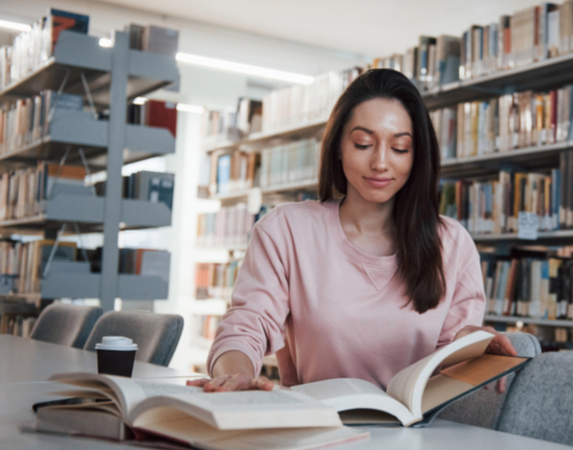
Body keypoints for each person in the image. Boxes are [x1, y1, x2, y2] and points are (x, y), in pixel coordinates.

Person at [189, 69, 517, 394]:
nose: (380, 163)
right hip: (317, 430)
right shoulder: (286, 229)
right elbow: (246, 326)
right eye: (363, 144)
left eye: (400, 148)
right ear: (337, 147)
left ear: (417, 156)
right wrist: (235, 374)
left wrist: (470, 346)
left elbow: (448, 369)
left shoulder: (452, 244)